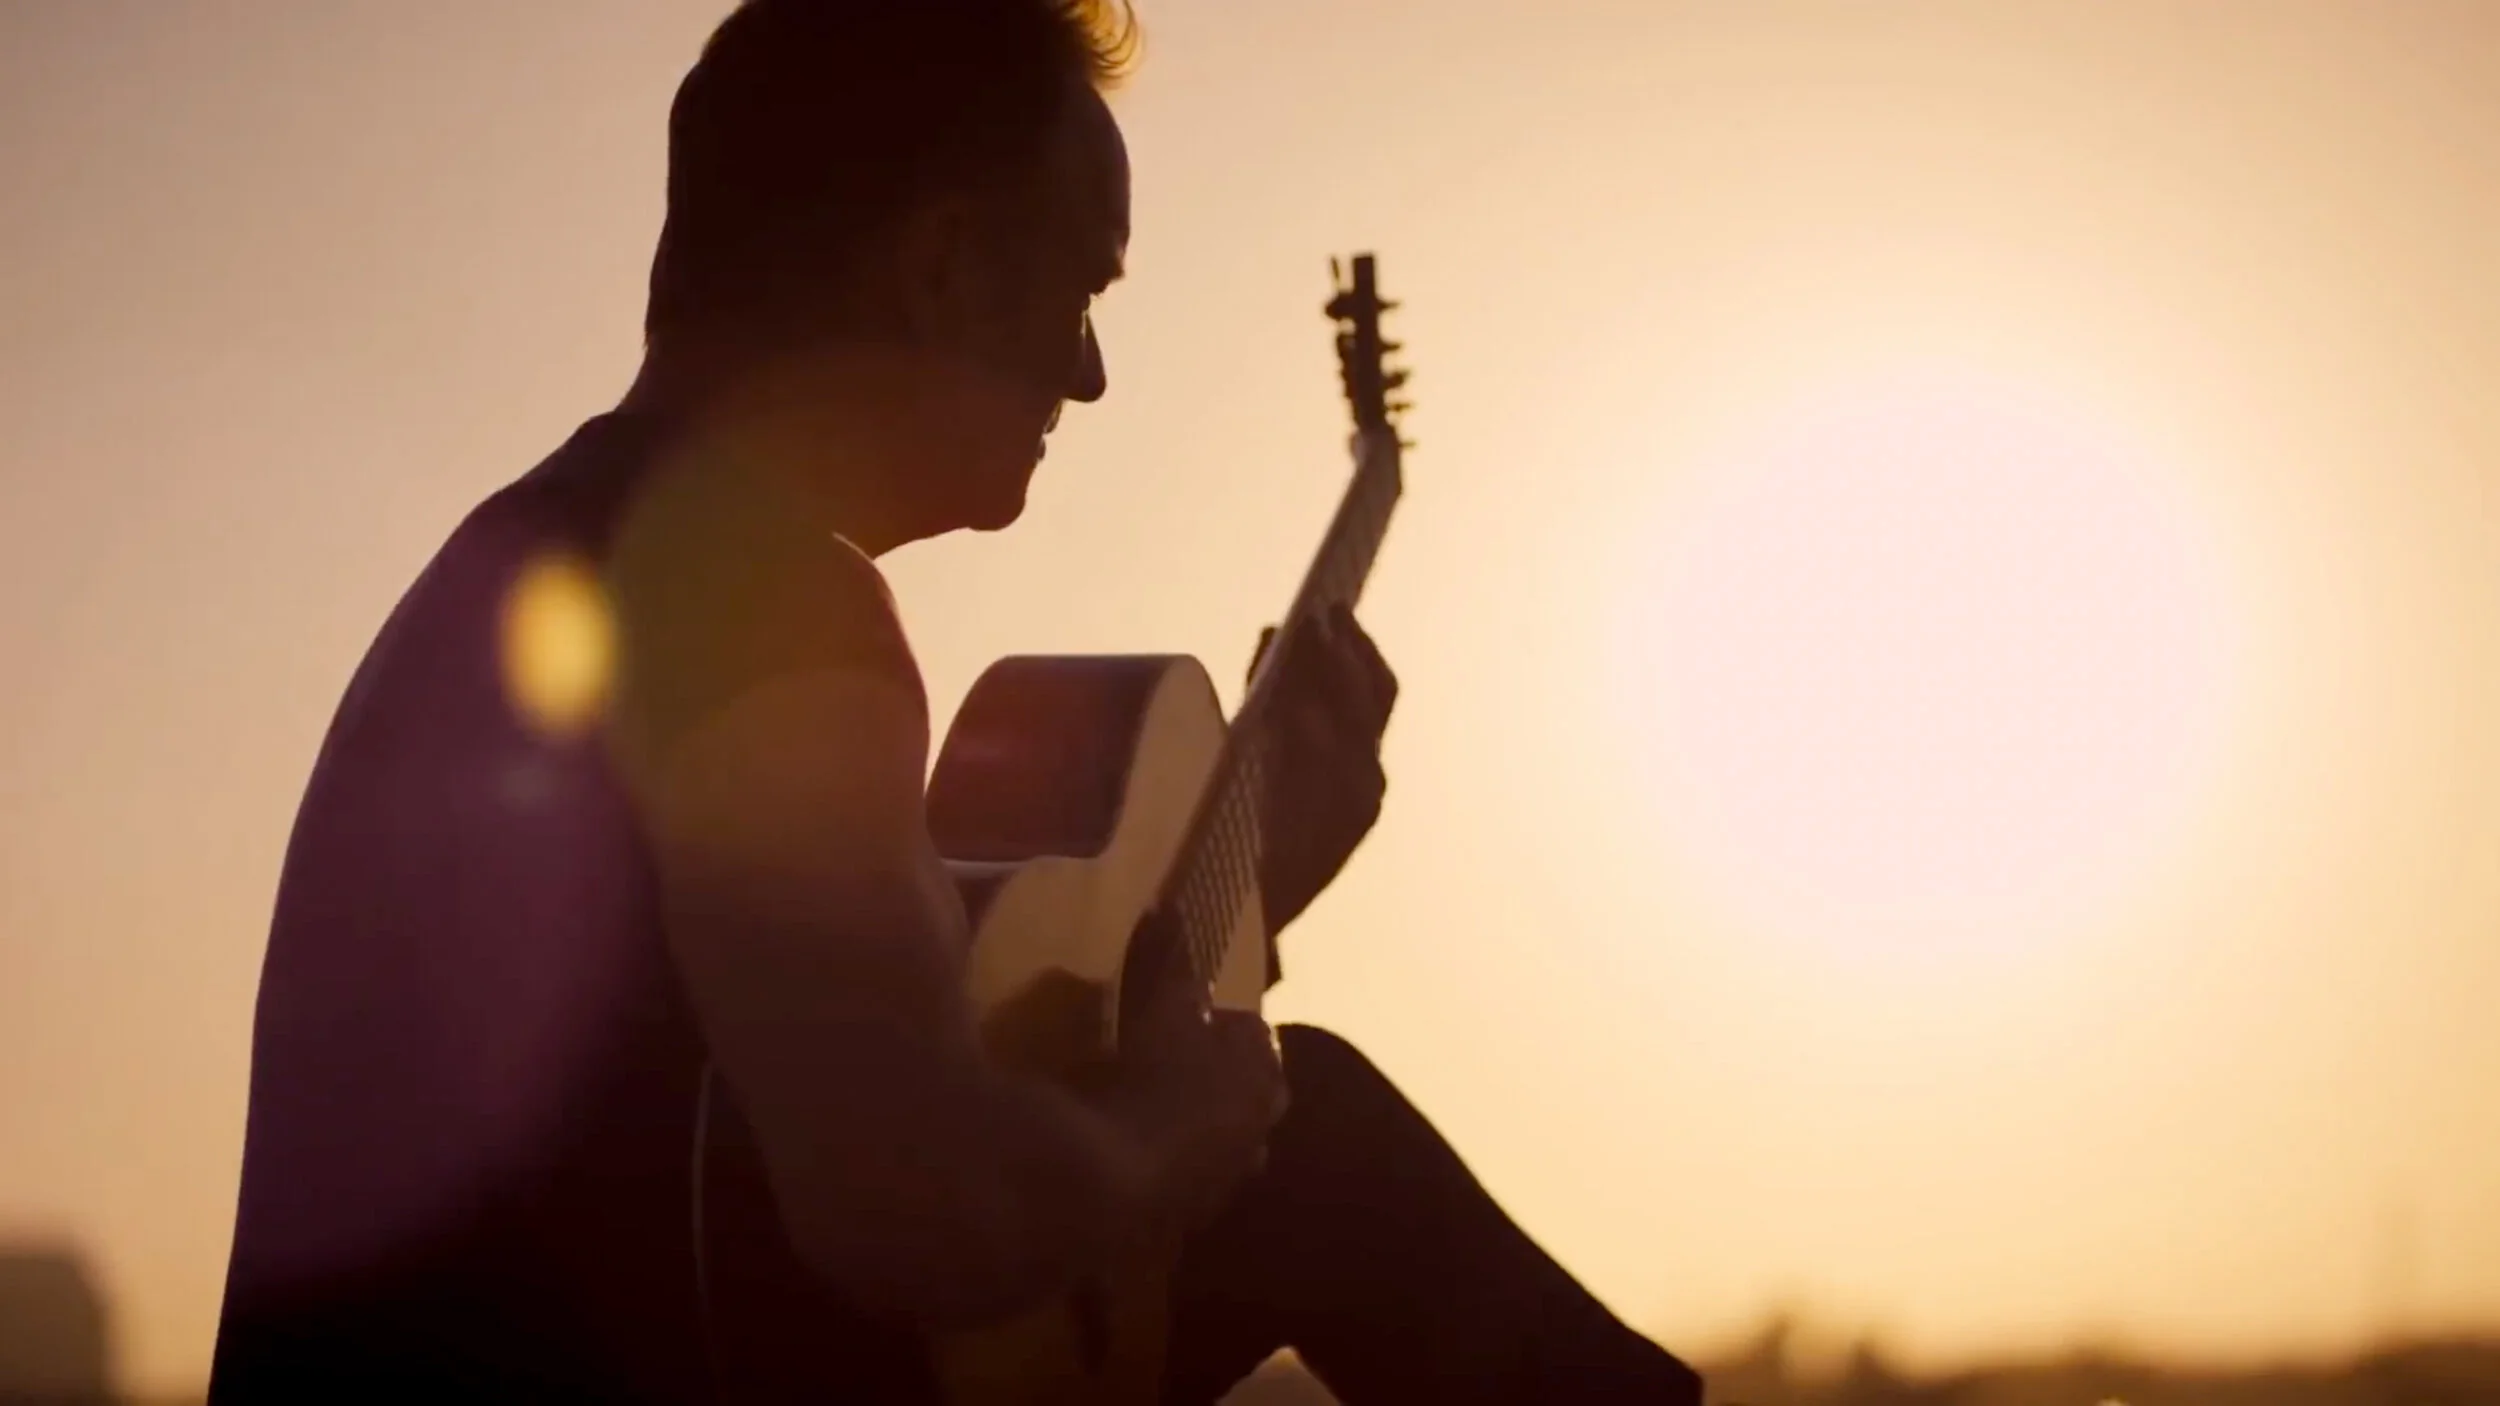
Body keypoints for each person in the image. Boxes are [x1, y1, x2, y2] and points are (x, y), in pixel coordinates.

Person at [205, 2, 1707, 1402]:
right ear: (941, 271)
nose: (1093, 373)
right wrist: (1180, 1128)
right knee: (1315, 1145)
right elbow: (921, 1203)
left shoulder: (540, 556)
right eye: (1084, 287)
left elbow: (844, 1093)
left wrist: (1249, 900)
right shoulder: (762, 600)